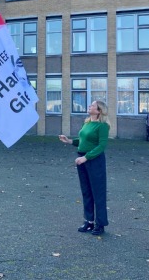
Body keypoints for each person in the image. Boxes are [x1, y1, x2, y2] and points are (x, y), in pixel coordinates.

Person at [58, 100, 110, 236]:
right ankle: (89, 221)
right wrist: (69, 141)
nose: (90, 106)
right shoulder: (87, 123)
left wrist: (86, 157)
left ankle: (100, 224)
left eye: (93, 105)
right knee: (86, 191)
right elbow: (82, 140)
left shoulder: (103, 126)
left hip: (94, 160)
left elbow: (101, 146)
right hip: (82, 160)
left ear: (99, 110)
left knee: (98, 192)